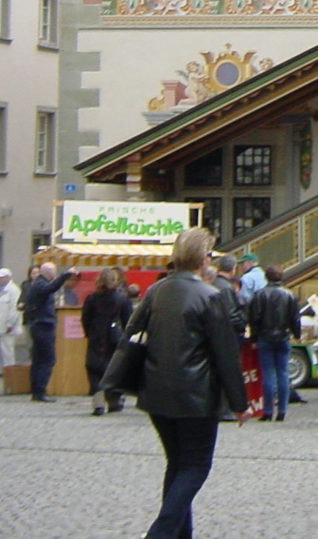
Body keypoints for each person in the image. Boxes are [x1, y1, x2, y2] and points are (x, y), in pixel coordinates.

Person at [120, 226, 252, 539]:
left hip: (156, 391)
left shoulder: (156, 291)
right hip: (195, 395)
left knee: (177, 465)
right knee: (195, 467)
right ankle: (160, 533)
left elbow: (132, 335)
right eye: (209, 253)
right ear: (202, 258)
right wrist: (239, 404)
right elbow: (224, 354)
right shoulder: (210, 296)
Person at [246, 264, 300, 422]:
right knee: (283, 373)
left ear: (266, 277)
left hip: (265, 337)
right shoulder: (289, 295)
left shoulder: (259, 295)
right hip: (283, 336)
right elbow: (294, 318)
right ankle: (282, 410)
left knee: (267, 374)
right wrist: (296, 334)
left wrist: (254, 338)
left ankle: (268, 411)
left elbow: (254, 319)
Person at [22, 261, 77, 402]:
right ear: (49, 273)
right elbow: (52, 288)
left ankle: (36, 391)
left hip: (38, 324)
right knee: (47, 359)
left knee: (38, 359)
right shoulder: (41, 285)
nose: (55, 274)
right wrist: (66, 275)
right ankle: (40, 391)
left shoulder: (38, 284)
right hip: (43, 325)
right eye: (54, 272)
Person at [81, 267, 133, 415]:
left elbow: (85, 319)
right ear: (116, 281)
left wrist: (90, 333)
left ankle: (98, 404)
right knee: (114, 370)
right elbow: (128, 321)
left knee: (95, 369)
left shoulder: (91, 298)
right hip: (116, 339)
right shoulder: (122, 299)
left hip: (97, 337)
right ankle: (114, 401)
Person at [0, 268, 21, 372]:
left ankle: (11, 370)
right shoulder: (0, 290)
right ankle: (6, 369)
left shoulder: (14, 290)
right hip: (1, 325)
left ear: (8, 277)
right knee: (3, 349)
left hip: (8, 327)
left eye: (1, 277)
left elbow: (15, 309)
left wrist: (10, 324)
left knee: (8, 349)